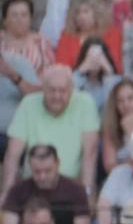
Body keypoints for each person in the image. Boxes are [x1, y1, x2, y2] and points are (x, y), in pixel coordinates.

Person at [1, 66, 98, 200]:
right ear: (43, 89)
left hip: (71, 186)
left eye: (62, 91)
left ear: (71, 90)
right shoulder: (28, 104)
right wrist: (7, 192)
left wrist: (87, 192)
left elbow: (90, 154)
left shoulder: (85, 103)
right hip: (33, 185)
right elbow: (12, 154)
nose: (57, 96)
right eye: (52, 90)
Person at [0, 143, 92, 224]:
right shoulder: (17, 191)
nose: (42, 177)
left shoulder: (76, 190)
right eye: (37, 171)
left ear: (57, 164)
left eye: (48, 171)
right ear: (30, 167)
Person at [1, 0, 55, 83]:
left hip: (33, 92)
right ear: (5, 20)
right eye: (14, 15)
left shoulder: (41, 43)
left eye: (24, 15)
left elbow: (51, 74)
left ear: (30, 19)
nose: (20, 20)